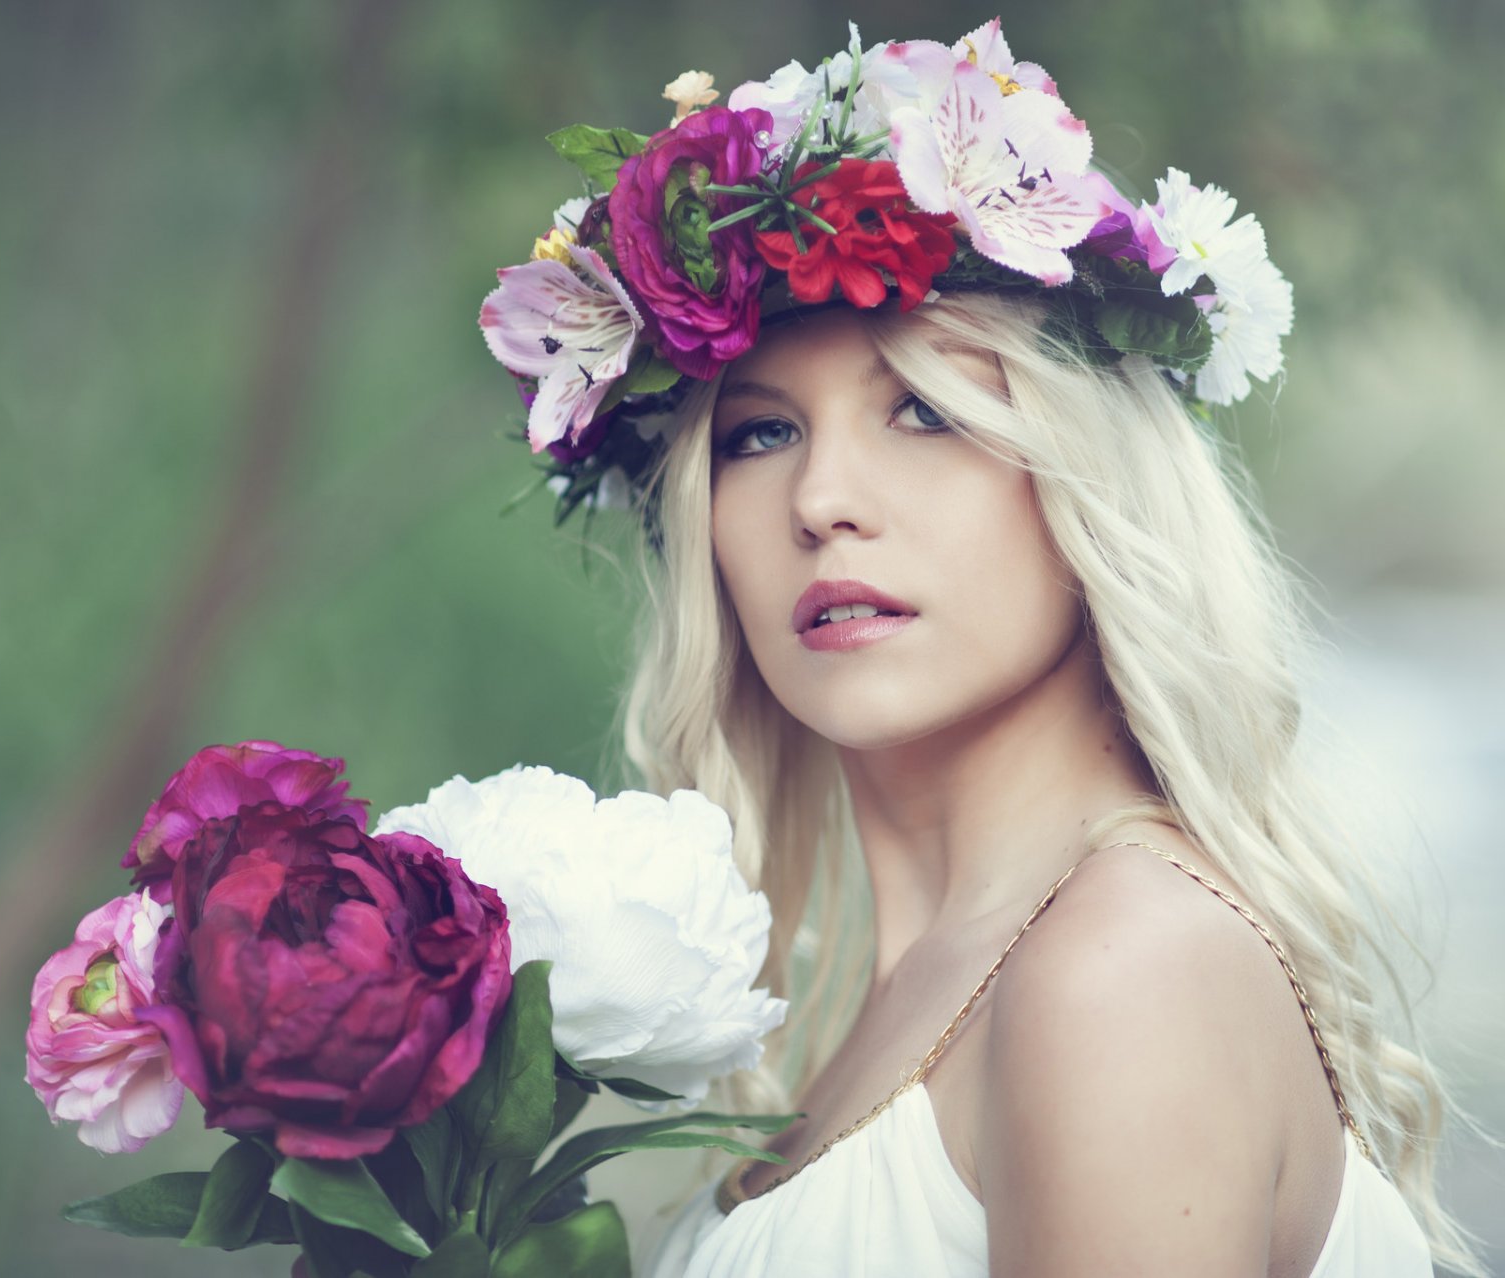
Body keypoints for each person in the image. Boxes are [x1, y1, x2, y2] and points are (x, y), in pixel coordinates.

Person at [477, 17, 1483, 1278]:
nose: (823, 499)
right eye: (758, 435)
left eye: (925, 411)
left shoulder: (1123, 971)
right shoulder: (910, 991)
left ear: (1088, 482)